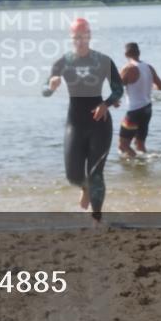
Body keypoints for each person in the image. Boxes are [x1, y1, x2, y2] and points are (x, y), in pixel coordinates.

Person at [43, 17, 124, 222]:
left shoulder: (103, 61)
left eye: (83, 35)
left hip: (100, 124)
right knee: (73, 175)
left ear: (89, 35)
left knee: (96, 173)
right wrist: (51, 86)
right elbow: (45, 91)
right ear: (71, 38)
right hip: (75, 123)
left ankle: (97, 218)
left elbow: (118, 89)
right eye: (76, 36)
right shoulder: (62, 62)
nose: (80, 40)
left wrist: (106, 104)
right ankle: (85, 187)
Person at [118, 42, 161, 157]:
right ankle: (144, 168)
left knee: (123, 145)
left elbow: (117, 88)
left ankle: (137, 166)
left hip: (134, 111)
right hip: (147, 109)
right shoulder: (149, 67)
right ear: (139, 53)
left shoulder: (128, 69)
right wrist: (148, 84)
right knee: (140, 144)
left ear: (126, 54)